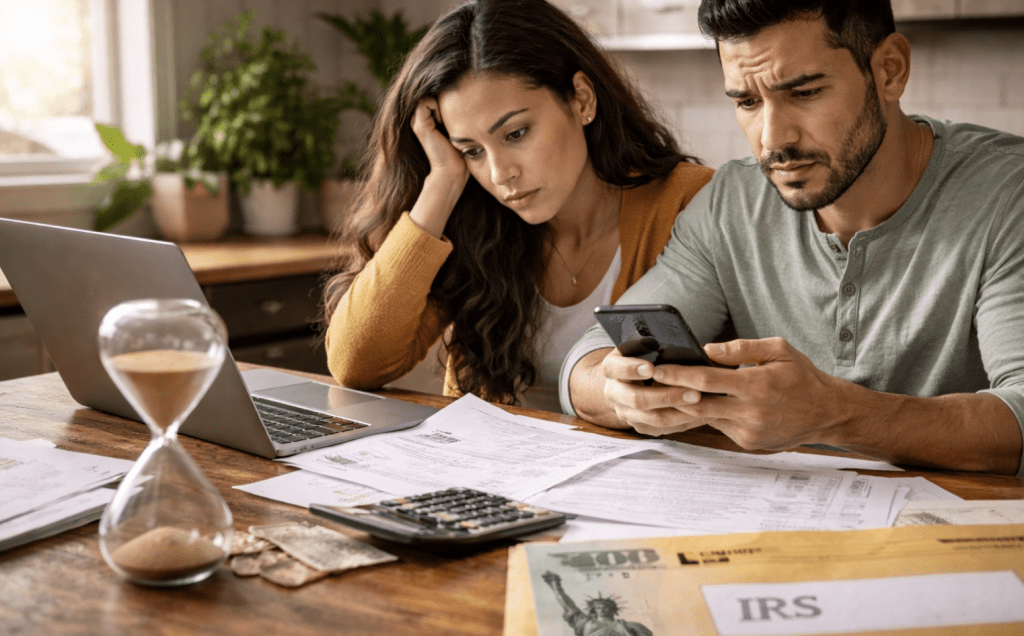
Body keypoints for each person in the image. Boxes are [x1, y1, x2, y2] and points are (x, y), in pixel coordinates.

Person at [560, 0, 1024, 475]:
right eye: (747, 101)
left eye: (803, 92)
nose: (771, 139)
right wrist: (621, 394)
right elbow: (589, 359)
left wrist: (834, 414)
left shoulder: (1010, 193)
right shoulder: (730, 203)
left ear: (890, 69)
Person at [322, 0, 713, 411]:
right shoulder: (473, 223)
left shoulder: (689, 201)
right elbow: (355, 364)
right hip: (491, 470)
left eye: (515, 134)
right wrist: (442, 180)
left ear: (581, 99)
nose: (499, 173)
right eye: (472, 150)